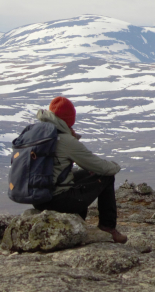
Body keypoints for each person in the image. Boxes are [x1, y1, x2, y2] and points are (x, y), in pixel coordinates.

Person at [32, 96, 127, 243]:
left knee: (78, 175)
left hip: (38, 198)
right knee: (107, 176)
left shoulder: (38, 133)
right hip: (57, 201)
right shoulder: (65, 140)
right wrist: (115, 166)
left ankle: (78, 222)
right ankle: (107, 227)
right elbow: (100, 166)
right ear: (69, 120)